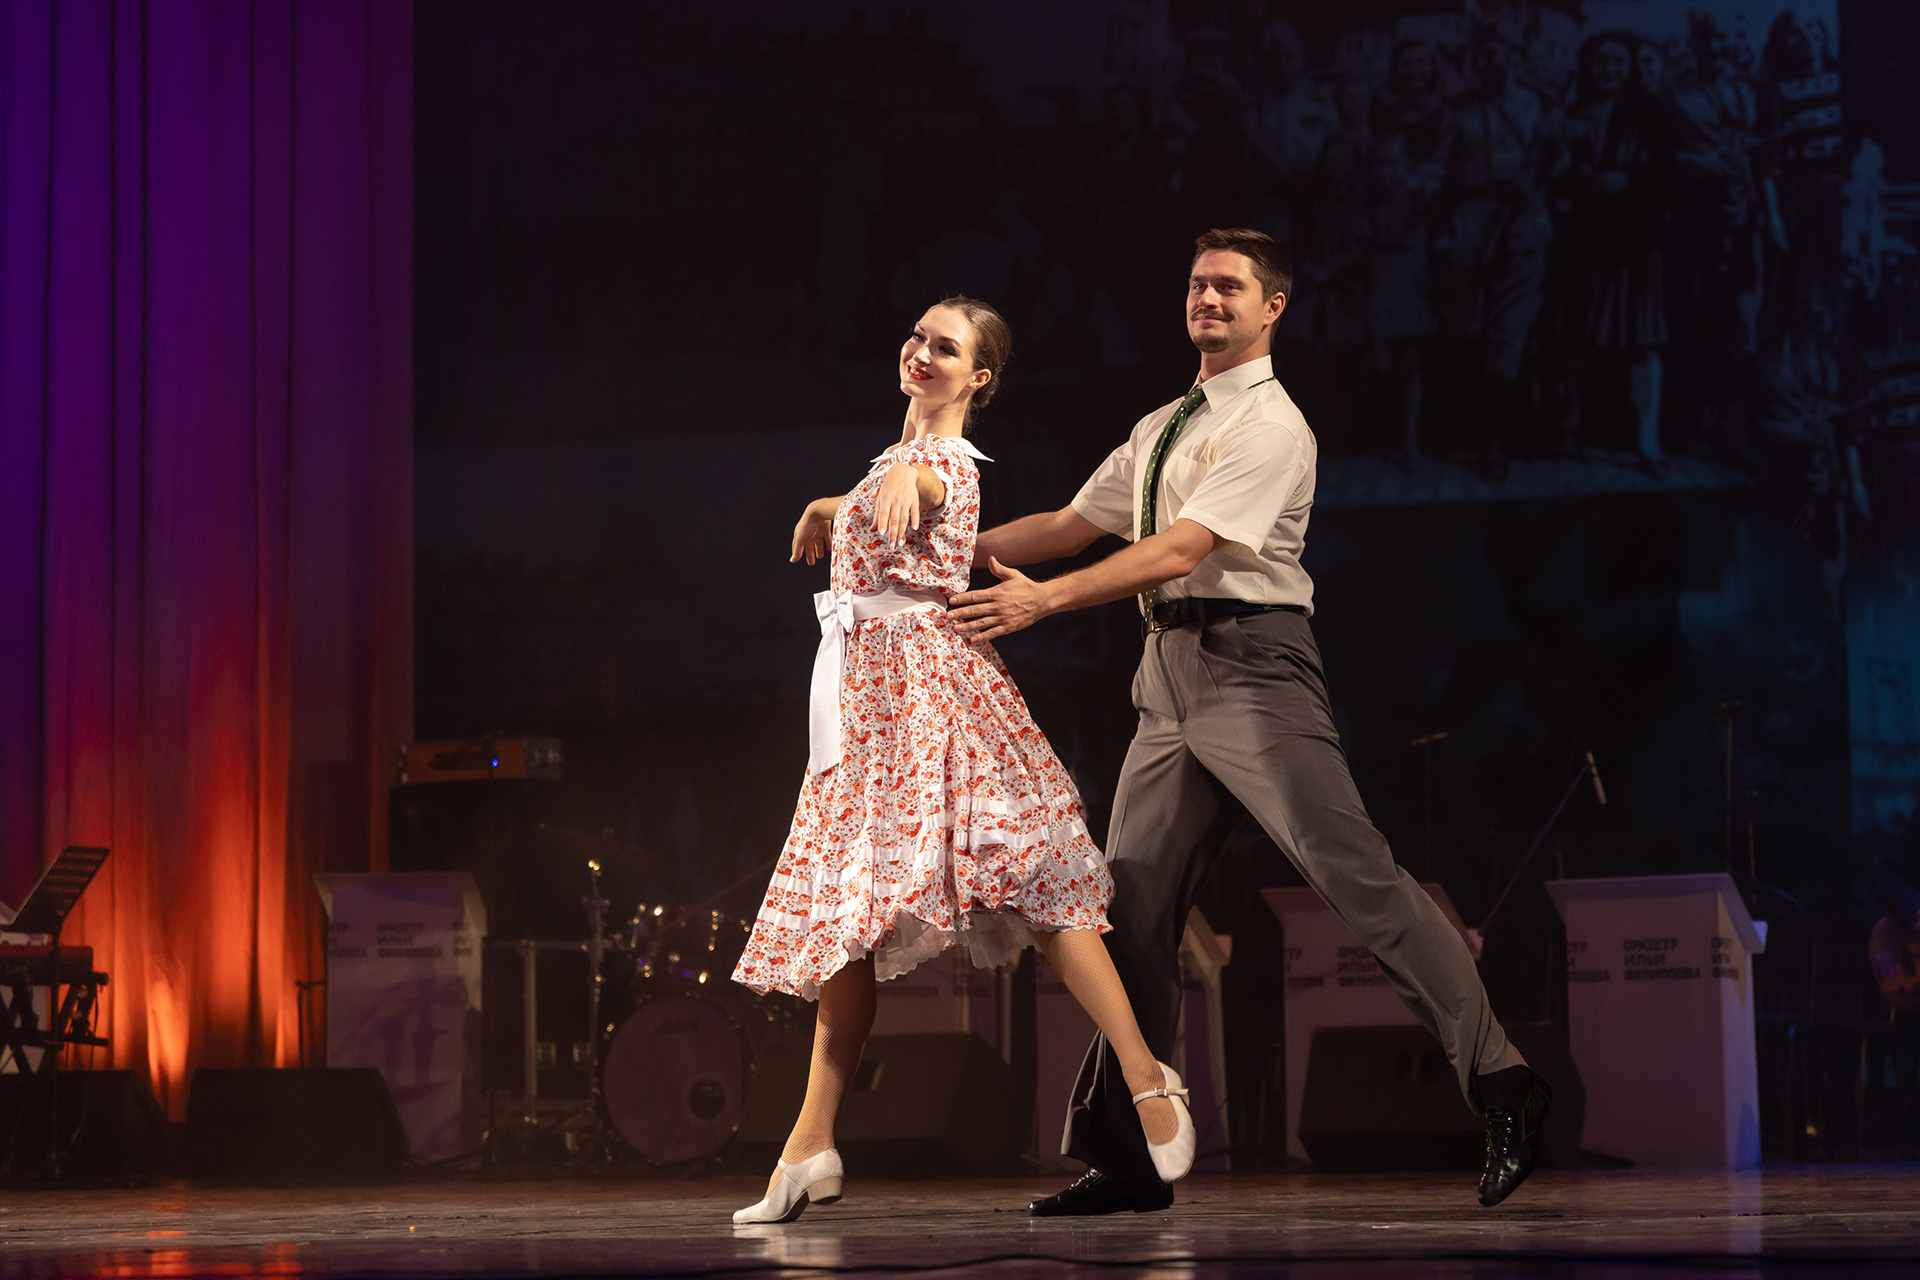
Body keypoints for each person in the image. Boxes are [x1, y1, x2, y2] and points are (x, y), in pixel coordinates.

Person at [951, 229, 1549, 1216]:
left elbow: (1181, 549)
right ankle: (1132, 1155)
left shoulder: (1272, 425)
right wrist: (934, 549)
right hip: (1166, 677)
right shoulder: (1162, 425)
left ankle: (1503, 1079)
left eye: (1230, 286)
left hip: (1254, 666)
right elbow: (1065, 526)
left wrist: (1043, 601)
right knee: (1128, 910)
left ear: (1273, 306)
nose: (1208, 298)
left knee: (1356, 877)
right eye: (1198, 284)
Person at [729, 298, 1194, 1224]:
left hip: (931, 702)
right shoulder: (890, 464)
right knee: (849, 921)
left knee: (1033, 875)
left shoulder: (939, 464)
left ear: (978, 377)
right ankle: (810, 1144)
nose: (922, 351)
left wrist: (899, 483)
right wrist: (833, 504)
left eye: (946, 347)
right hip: (866, 717)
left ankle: (1148, 1077)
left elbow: (929, 489)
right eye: (918, 336)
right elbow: (885, 503)